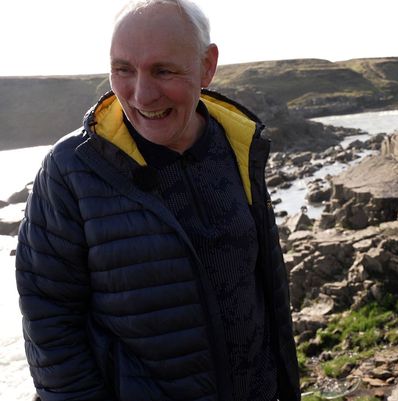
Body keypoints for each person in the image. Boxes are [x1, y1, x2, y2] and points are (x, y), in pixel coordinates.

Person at [14, 1, 300, 400]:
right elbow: (50, 319)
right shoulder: (71, 170)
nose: (142, 95)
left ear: (207, 65)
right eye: (123, 70)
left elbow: (265, 286)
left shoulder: (238, 145)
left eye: (163, 70)